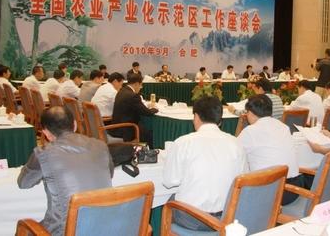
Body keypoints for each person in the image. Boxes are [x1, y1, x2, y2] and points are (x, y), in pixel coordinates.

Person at [18, 107, 113, 236]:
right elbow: (110, 174)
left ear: (46, 133)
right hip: (105, 226)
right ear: (74, 124)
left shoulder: (43, 153)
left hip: (66, 230)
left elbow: (24, 183)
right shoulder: (101, 145)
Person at [163, 96, 247, 231]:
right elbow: (244, 180)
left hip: (193, 218)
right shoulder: (236, 143)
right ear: (220, 120)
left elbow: (169, 181)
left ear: (196, 117)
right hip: (228, 216)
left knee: (169, 201)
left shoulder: (183, 142)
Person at [237, 95, 301, 205]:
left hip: (272, 193)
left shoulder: (251, 131)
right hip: (294, 188)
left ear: (250, 113)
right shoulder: (283, 127)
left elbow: (234, 152)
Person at [110, 73, 158, 144]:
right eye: (141, 85)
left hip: (116, 128)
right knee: (151, 134)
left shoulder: (121, 91)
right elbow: (146, 112)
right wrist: (154, 109)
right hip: (126, 130)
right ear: (136, 84)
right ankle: (146, 153)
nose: (140, 87)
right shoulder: (133, 95)